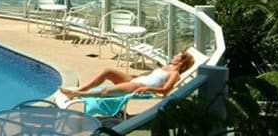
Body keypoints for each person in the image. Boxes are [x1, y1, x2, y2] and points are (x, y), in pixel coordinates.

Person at [59, 51, 194, 98]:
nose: (174, 56)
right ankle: (82, 89)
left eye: (178, 56)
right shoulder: (168, 66)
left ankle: (76, 94)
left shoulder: (174, 74)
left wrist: (147, 89)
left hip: (139, 87)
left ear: (181, 62)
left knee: (106, 91)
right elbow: (154, 76)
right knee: (108, 71)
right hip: (136, 80)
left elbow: (166, 90)